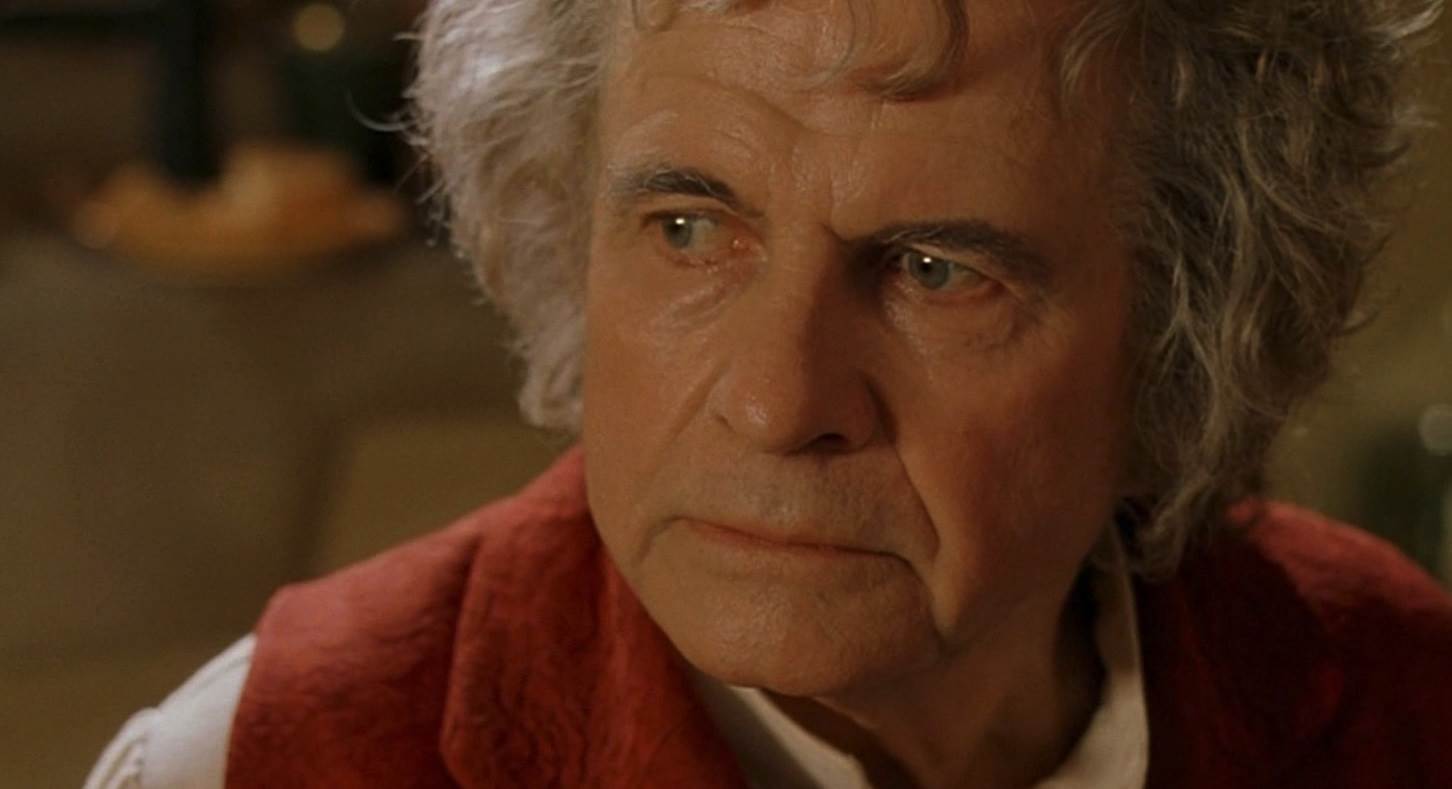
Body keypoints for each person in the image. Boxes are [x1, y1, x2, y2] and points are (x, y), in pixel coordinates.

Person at [87, 0, 1452, 787]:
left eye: (935, 271)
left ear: (1188, 329)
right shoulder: (259, 762)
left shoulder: (1405, 696)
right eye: (688, 229)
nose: (776, 400)